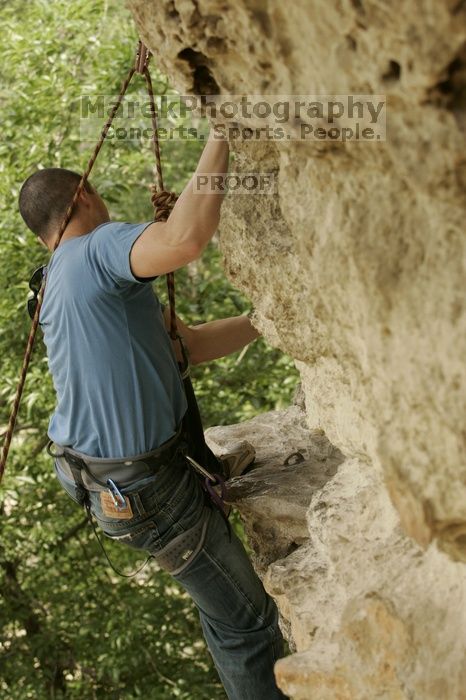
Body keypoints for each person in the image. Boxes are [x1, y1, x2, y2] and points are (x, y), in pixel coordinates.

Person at [18, 130, 288, 700]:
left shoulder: (57, 285)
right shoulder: (94, 249)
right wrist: (222, 134)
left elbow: (186, 347)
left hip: (112, 487)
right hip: (147, 490)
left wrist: (275, 318)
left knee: (226, 618)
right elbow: (185, 240)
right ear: (84, 197)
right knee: (251, 627)